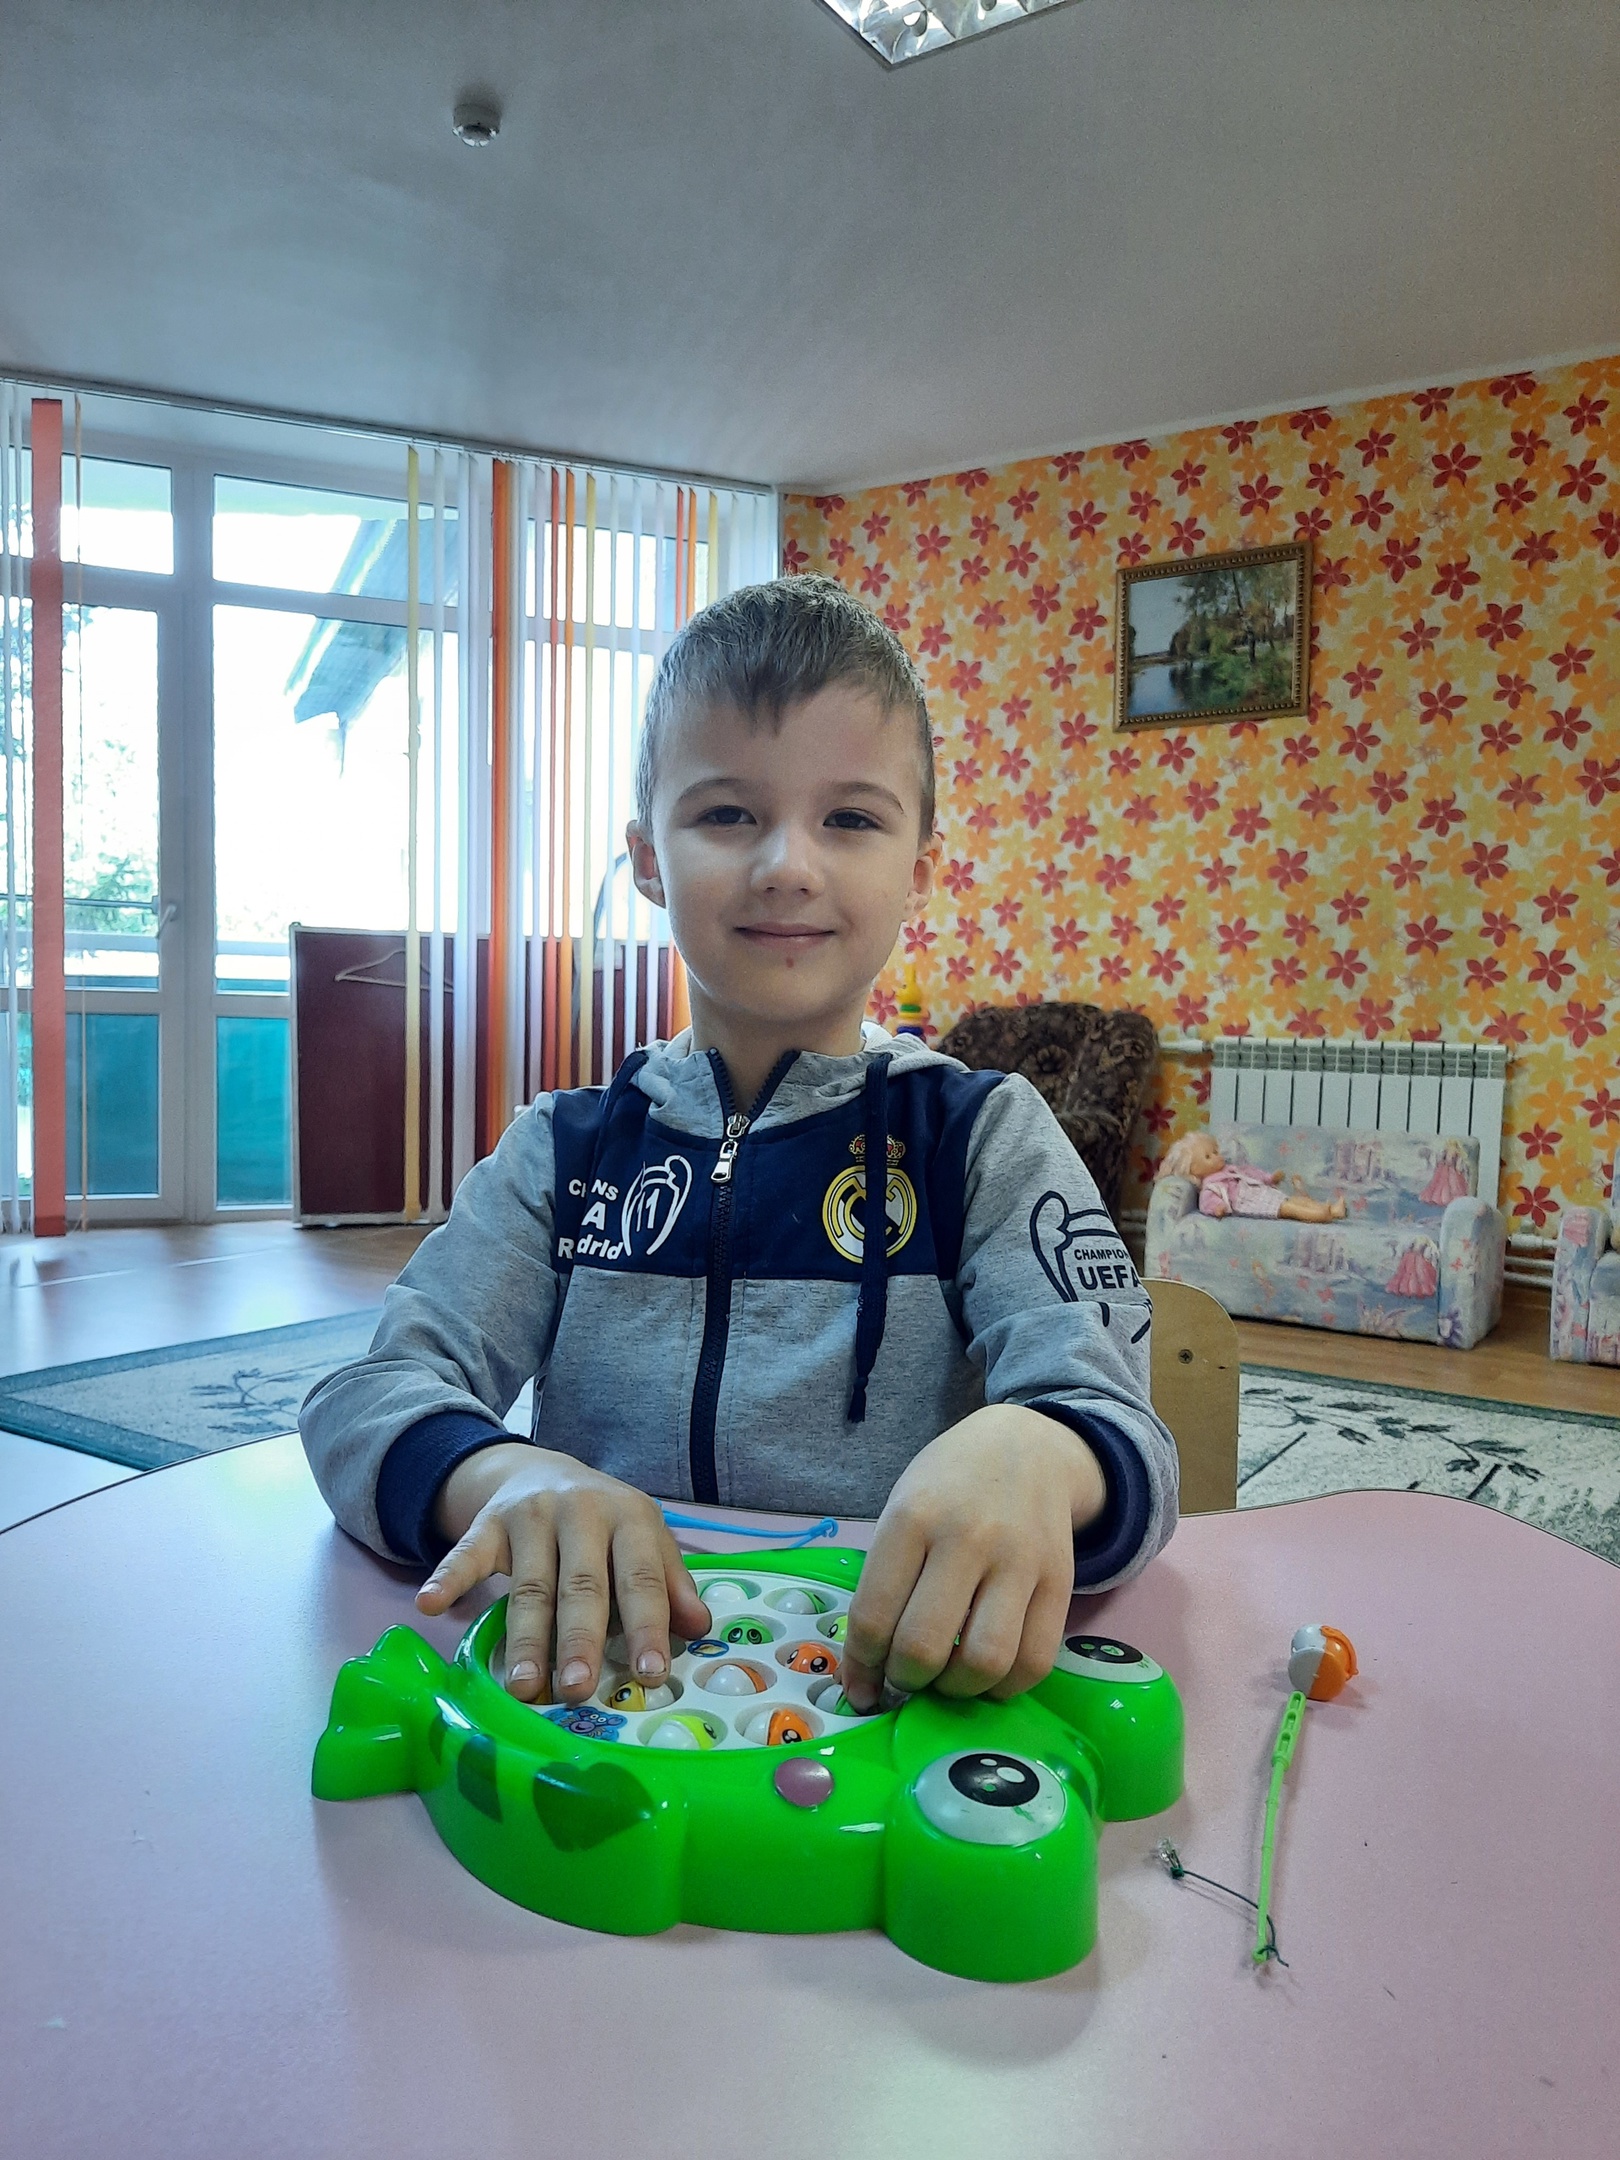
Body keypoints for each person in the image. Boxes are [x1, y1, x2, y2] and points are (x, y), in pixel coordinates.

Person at [300, 575, 1178, 1719]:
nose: (787, 866)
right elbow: (367, 1397)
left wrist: (1042, 1454)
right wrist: (497, 1475)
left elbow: (1119, 1434)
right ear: (647, 858)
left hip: (887, 1702)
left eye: (851, 819)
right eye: (726, 815)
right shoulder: (562, 1152)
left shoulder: (982, 1138)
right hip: (605, 1693)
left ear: (921, 867)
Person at [1159, 1130, 1346, 1222]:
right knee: (1290, 1208)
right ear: (1194, 1171)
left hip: (1262, 1192)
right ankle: (1321, 1215)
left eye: (1215, 1151)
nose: (1217, 1157)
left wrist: (1269, 1178)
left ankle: (1333, 1210)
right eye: (1208, 1157)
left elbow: (1251, 1173)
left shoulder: (1230, 1169)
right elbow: (1207, 1202)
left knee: (1293, 1200)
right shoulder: (1211, 1186)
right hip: (1251, 1203)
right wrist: (1218, 1208)